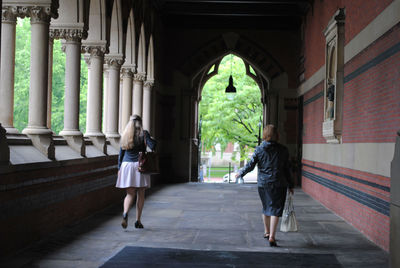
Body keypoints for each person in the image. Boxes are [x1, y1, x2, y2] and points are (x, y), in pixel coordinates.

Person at [236, 124, 294, 247]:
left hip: (264, 184)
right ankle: (272, 236)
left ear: (265, 135)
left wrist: (241, 173)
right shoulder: (283, 150)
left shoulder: (259, 149)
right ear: (277, 135)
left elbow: (250, 165)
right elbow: (287, 169)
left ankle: (266, 231)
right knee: (276, 209)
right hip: (279, 183)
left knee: (266, 207)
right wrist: (291, 184)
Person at [116, 115, 156, 229]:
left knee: (129, 194)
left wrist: (119, 168)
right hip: (140, 165)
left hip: (126, 166)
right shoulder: (144, 133)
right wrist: (151, 138)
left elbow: (121, 154)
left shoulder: (125, 134)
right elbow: (153, 146)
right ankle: (138, 221)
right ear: (140, 122)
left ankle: (125, 213)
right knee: (141, 193)